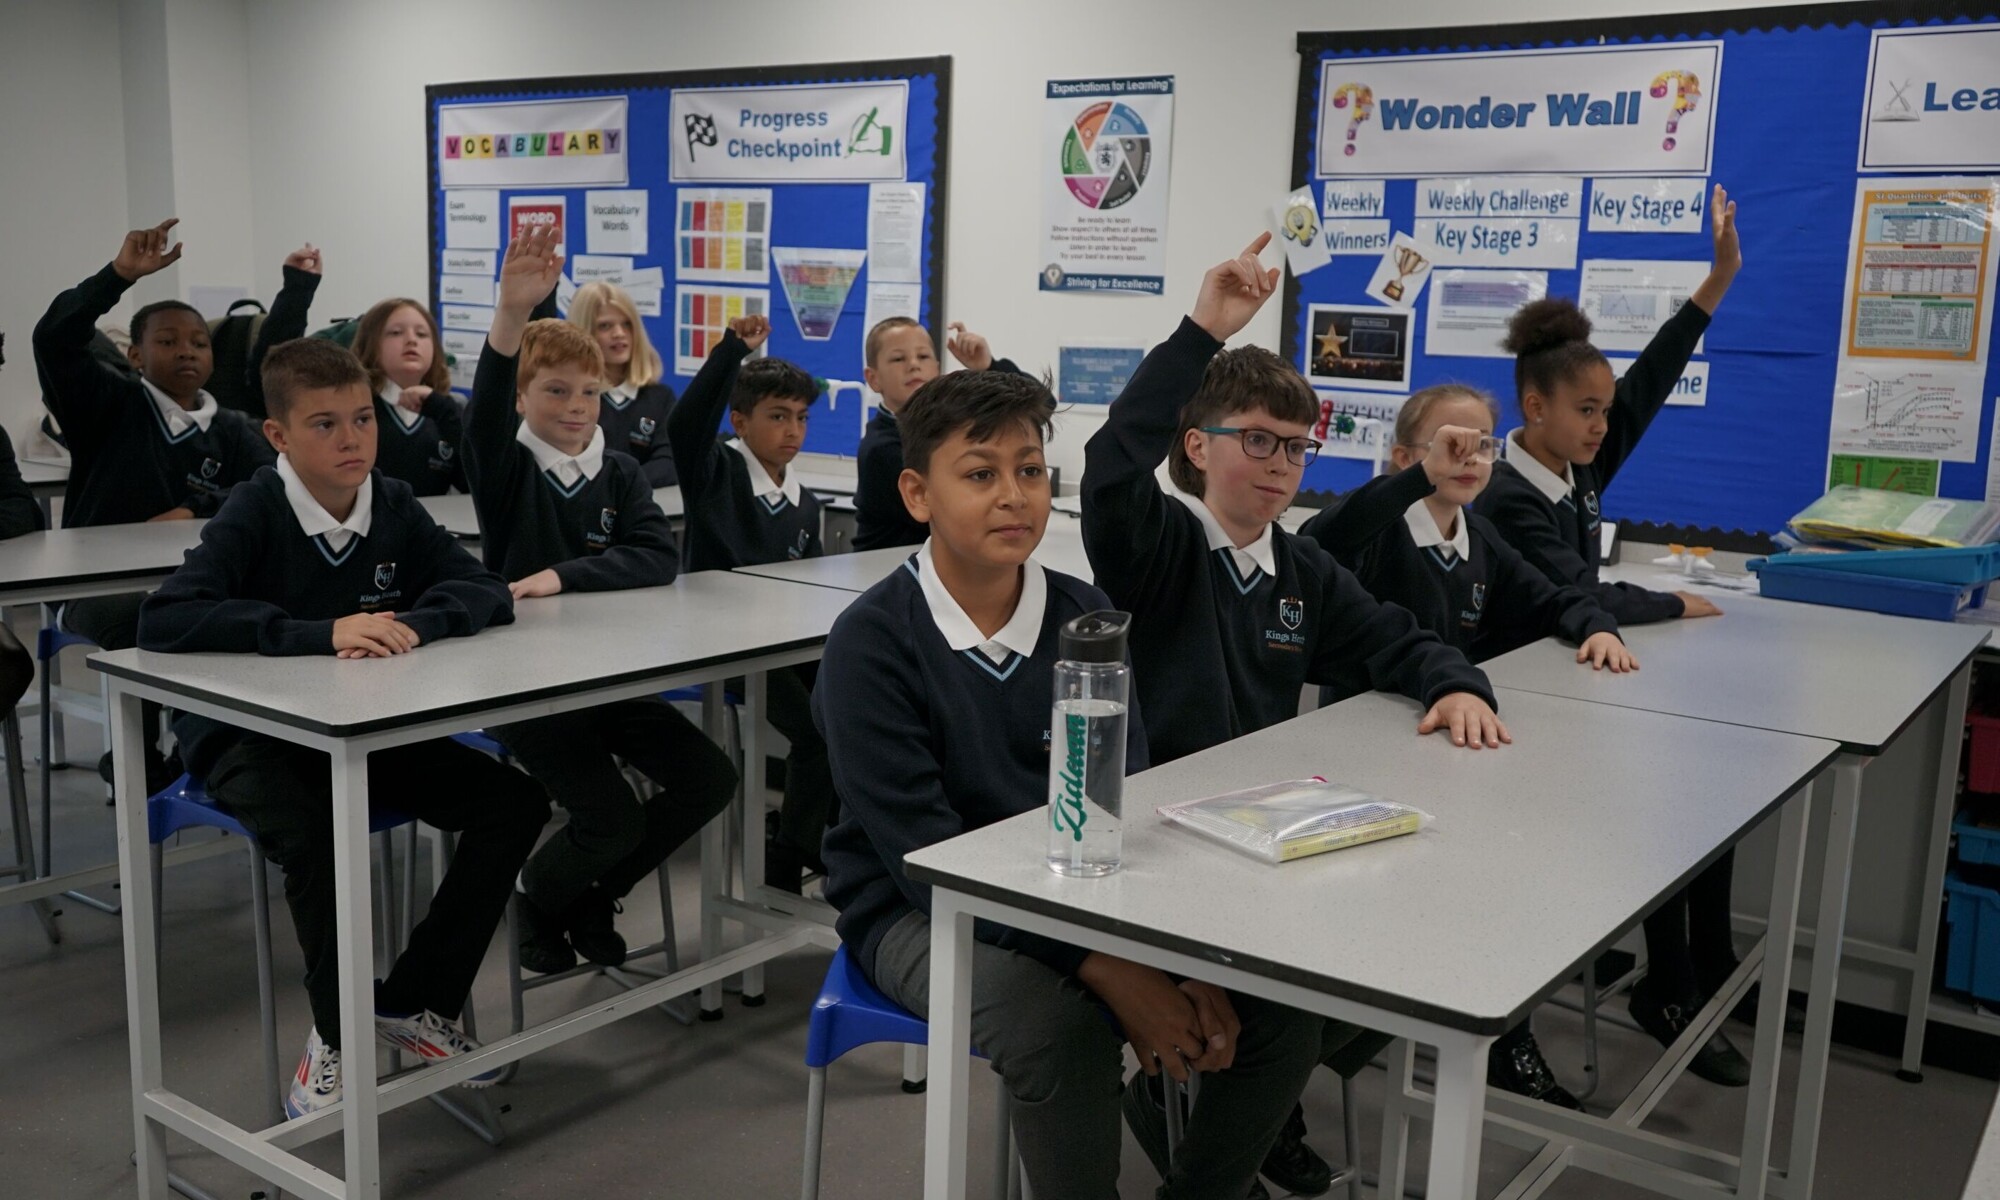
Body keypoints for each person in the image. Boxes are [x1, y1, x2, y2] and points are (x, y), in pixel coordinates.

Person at [818, 366, 1320, 1199]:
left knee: (1278, 1010)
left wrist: (1178, 954)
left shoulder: (1084, 614)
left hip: (1076, 887)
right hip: (919, 906)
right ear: (917, 493)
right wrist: (1111, 968)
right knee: (1061, 1031)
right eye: (980, 474)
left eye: (1030, 470)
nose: (1014, 494)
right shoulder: (871, 643)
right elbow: (924, 856)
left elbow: (1126, 796)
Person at [136, 337, 549, 1118]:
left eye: (362, 418)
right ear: (279, 437)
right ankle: (335, 1031)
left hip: (359, 725)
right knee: (317, 829)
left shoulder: (389, 499)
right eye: (324, 425)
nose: (353, 438)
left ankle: (412, 1000)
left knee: (514, 803)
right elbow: (168, 616)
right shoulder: (257, 505)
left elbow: (481, 587)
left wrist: (415, 625)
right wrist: (320, 631)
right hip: (248, 734)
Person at [1476, 186, 1751, 1087]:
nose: (1602, 424)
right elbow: (1566, 591)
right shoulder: (1506, 494)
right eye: (1585, 410)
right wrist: (1671, 604)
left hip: (1572, 689)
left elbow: (1652, 380)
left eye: (1603, 411)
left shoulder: (1574, 465)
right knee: (1661, 811)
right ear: (1534, 407)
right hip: (1509, 706)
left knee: (1706, 802)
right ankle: (1664, 988)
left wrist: (1715, 285)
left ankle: (1698, 977)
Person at [1081, 233, 1507, 766]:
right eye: (1257, 440)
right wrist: (1201, 334)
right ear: (1198, 447)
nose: (1280, 462)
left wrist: (1455, 687)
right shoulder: (1151, 540)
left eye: (1297, 445)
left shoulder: (1303, 569)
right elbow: (1112, 463)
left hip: (1259, 809)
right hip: (1152, 816)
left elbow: (1397, 642)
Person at [465, 224, 737, 973]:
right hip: (524, 687)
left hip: (604, 676)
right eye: (555, 390)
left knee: (710, 777)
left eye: (588, 392)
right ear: (524, 396)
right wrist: (511, 314)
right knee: (609, 814)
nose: (576, 405)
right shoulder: (506, 465)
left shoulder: (616, 470)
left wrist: (565, 576)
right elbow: (483, 414)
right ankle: (536, 893)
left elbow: (657, 556)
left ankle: (590, 893)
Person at [33, 218, 281, 790]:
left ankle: (221, 751)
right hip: (97, 585)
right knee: (146, 620)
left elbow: (272, 490)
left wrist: (198, 508)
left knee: (252, 607)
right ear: (137, 357)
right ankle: (138, 759)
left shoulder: (233, 428)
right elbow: (53, 339)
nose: (186, 352)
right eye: (166, 342)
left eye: (197, 343)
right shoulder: (107, 403)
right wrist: (117, 277)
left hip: (190, 580)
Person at [666, 313, 833, 894]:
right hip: (726, 645)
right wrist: (731, 351)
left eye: (801, 418)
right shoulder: (717, 472)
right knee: (815, 734)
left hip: (782, 641)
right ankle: (791, 849)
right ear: (739, 421)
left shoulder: (805, 501)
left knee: (856, 701)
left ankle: (820, 833)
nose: (792, 430)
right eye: (777, 416)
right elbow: (685, 425)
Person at [853, 315, 1019, 550]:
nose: (913, 365)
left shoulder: (946, 428)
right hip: (887, 572)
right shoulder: (882, 449)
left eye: (923, 356)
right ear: (873, 378)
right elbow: (949, 515)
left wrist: (988, 367)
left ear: (938, 369)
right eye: (899, 358)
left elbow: (1042, 406)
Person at [346, 296, 467, 495]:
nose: (411, 340)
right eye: (395, 333)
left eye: (421, 334)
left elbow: (474, 482)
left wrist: (443, 410)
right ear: (370, 345)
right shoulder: (355, 407)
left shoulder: (448, 410)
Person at [568, 281, 678, 486]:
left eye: (627, 324)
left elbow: (669, 463)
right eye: (605, 326)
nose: (619, 333)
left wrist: (622, 487)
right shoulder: (572, 398)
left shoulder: (660, 397)